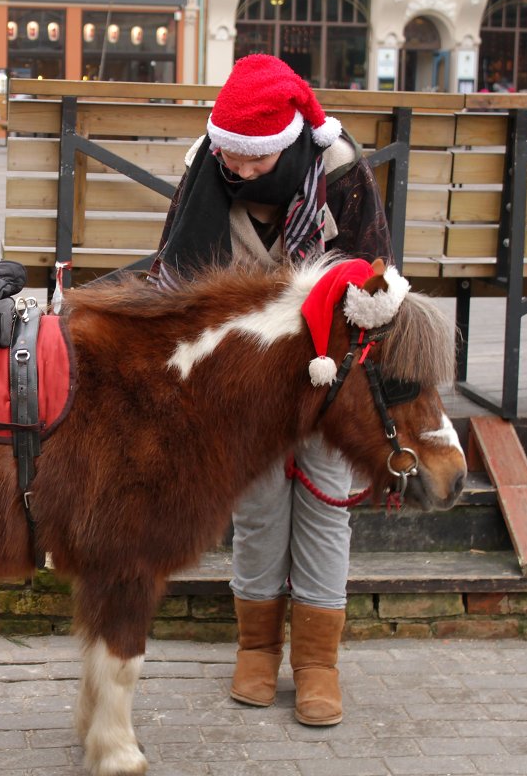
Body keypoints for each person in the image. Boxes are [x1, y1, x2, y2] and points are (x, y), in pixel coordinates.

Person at [149, 54, 392, 727]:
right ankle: (256, 649)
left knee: (325, 503)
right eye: (231, 157)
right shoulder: (208, 167)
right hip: (246, 383)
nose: (240, 171)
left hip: (329, 370)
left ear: (285, 143)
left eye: (254, 161)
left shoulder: (337, 168)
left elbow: (374, 274)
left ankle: (317, 664)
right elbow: (178, 279)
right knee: (256, 507)